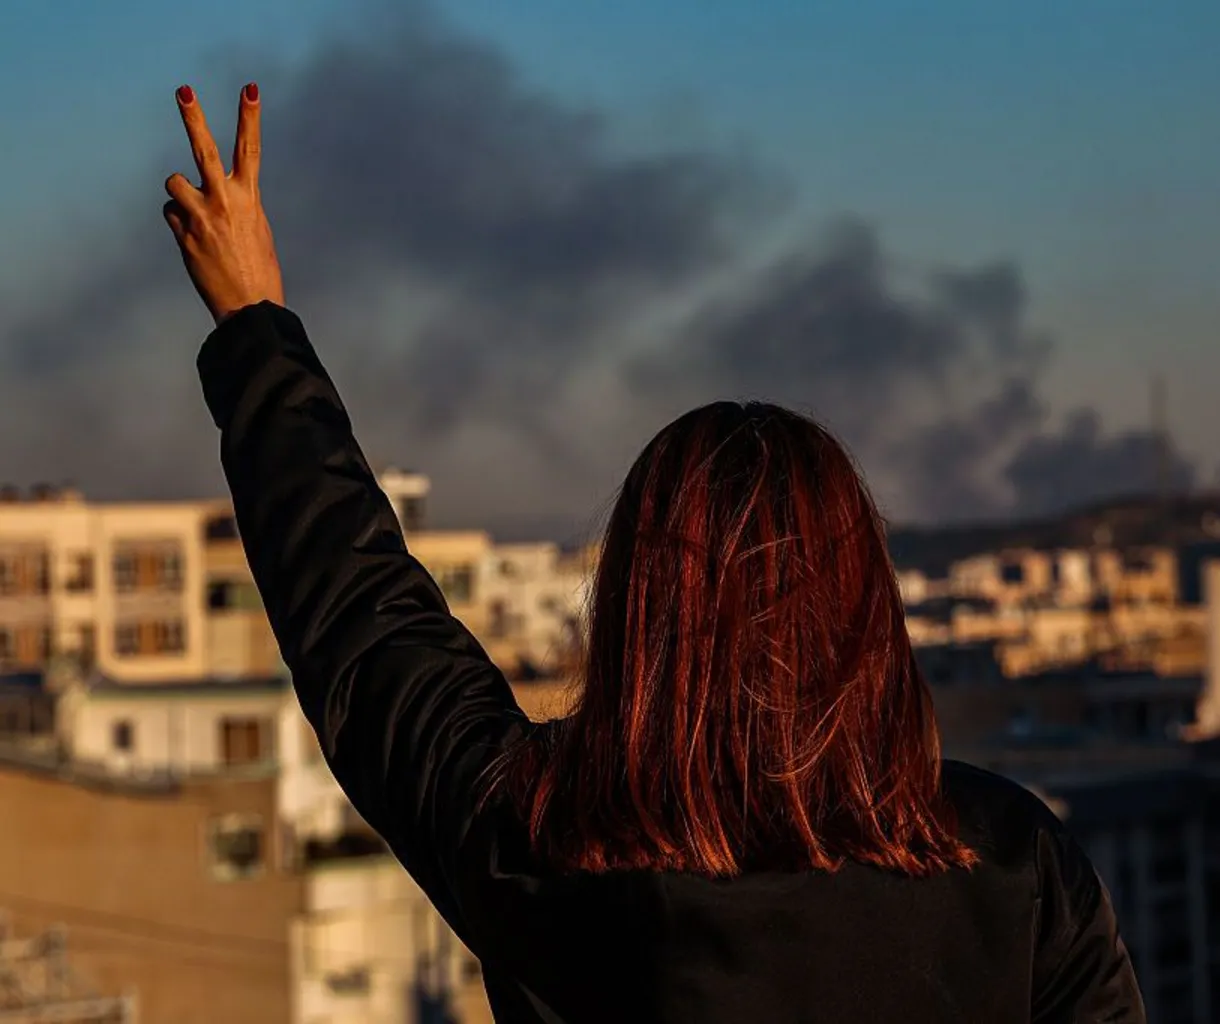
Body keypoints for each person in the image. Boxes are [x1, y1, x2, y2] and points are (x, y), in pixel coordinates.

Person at [163, 83, 1146, 1023]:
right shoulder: (1012, 864)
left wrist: (254, 325)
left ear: (638, 606)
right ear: (864, 612)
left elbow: (363, 621)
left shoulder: (544, 848)